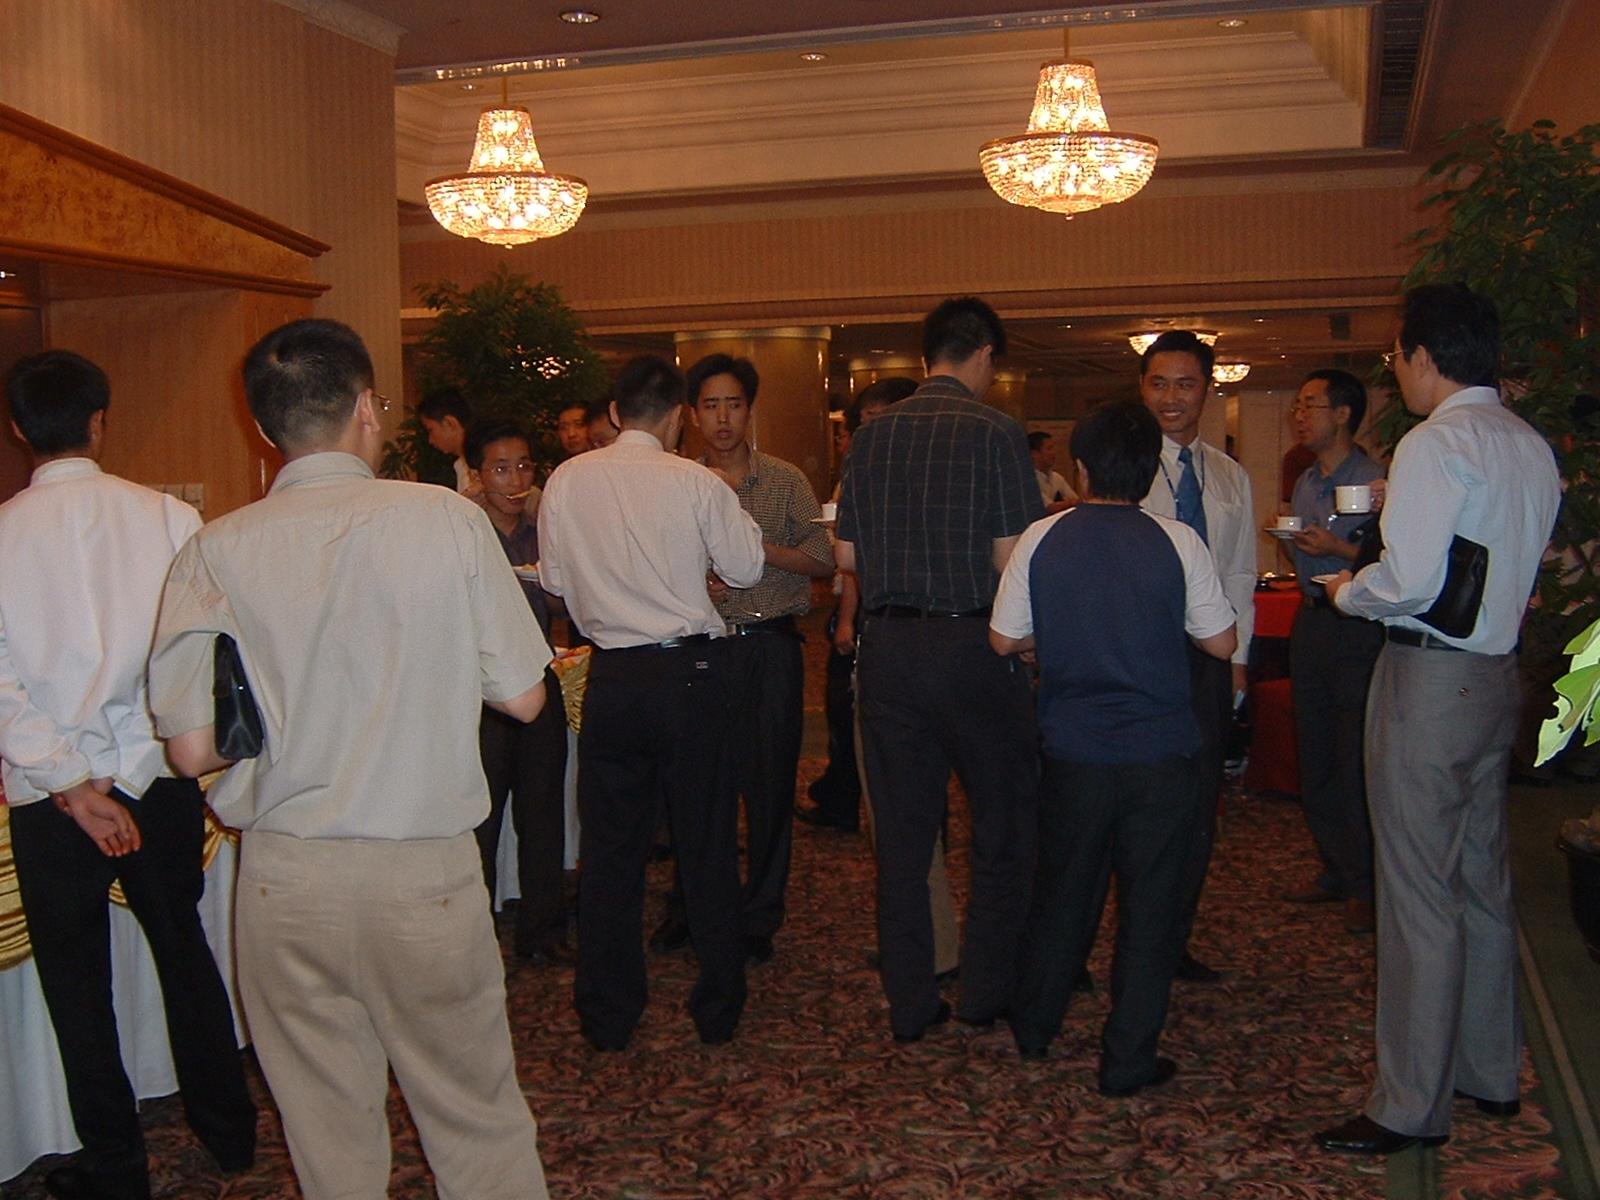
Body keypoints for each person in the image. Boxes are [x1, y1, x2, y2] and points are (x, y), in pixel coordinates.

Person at [148, 319, 553, 1200]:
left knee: (329, 1144)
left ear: (264, 428)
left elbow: (189, 749)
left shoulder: (215, 547)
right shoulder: (446, 520)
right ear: (368, 408)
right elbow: (525, 696)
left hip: (286, 881)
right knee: (477, 1123)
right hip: (423, 872)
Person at [0, 350, 257, 1200]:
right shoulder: (168, 518)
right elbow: (197, 655)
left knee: (78, 986)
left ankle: (116, 1166)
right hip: (158, 778)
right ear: (100, 420)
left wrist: (75, 782)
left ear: (18, 428)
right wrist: (134, 767)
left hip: (51, 799)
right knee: (185, 952)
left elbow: (1, 682)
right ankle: (230, 1132)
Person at [1314, 284, 1560, 1156]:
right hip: (1495, 678)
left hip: (1429, 683)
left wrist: (1349, 592)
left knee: (1417, 890)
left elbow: (1410, 581)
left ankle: (1408, 1106)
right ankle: (1489, 1070)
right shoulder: (1527, 442)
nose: (1397, 370)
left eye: (1397, 356)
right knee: (1481, 879)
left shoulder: (1435, 442)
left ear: (1423, 356)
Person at [995, 400, 1235, 1092]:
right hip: (1161, 753)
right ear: (1150, 470)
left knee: (1063, 891)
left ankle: (1035, 1027)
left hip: (1073, 750)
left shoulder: (1042, 537)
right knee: (1150, 907)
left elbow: (1004, 639)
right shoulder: (1178, 540)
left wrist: (1056, 639)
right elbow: (1221, 643)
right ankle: (1128, 1059)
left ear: (1081, 467)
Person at [538, 354, 765, 1050]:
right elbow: (747, 569)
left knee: (611, 851)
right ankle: (718, 1006)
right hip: (691, 676)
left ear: (614, 413)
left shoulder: (567, 480)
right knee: (706, 843)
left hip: (613, 678)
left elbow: (555, 585)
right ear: (677, 417)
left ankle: (608, 1015)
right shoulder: (696, 482)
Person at [835, 296, 1041, 1042]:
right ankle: (985, 992)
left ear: (929, 356)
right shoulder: (995, 432)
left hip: (889, 650)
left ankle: (911, 1003)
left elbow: (846, 556)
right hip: (972, 647)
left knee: (902, 841)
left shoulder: (870, 436)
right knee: (1002, 828)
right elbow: (1010, 560)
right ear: (984, 354)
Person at [650, 354, 834, 964]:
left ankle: (759, 914)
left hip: (768, 645)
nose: (723, 418)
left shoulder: (783, 480)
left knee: (769, 786)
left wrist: (754, 550)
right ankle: (691, 907)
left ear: (750, 410)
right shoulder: (675, 481)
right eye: (711, 405)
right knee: (696, 787)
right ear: (691, 414)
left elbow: (822, 557)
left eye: (733, 404)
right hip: (698, 648)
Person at [1137, 330, 1255, 983]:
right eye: (1158, 384)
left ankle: (1172, 938)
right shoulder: (1126, 469)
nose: (1171, 398)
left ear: (1208, 390)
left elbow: (1240, 571)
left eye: (1185, 384)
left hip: (1209, 656)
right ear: (1142, 389)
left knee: (1197, 807)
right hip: (1141, 657)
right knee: (1137, 801)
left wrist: (1239, 660)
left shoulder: (1231, 475)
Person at [464, 418, 573, 966]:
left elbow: (563, 607)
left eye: (524, 466)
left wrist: (551, 578)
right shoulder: (462, 530)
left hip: (537, 672)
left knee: (543, 810)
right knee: (481, 816)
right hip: (479, 688)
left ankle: (542, 931)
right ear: (477, 474)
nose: (514, 479)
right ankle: (475, 936)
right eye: (501, 468)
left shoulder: (543, 526)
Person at [1280, 369, 1385, 934]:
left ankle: (1366, 884)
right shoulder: (1305, 481)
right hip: (1312, 620)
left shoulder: (1374, 482)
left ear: (1343, 414)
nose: (1299, 416)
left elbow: (1387, 565)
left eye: (1310, 405)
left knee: (1353, 756)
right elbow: (1303, 556)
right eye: (1298, 406)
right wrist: (1296, 544)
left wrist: (1337, 548)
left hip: (1357, 626)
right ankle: (1336, 869)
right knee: (1314, 750)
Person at [797, 377, 919, 833]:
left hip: (887, 615)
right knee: (846, 710)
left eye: (877, 420)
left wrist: (848, 620)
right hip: (869, 610)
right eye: (863, 423)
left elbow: (852, 560)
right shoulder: (865, 471)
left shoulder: (890, 475)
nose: (869, 432)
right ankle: (846, 799)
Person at [416, 387, 475, 493]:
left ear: (449, 423)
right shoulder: (461, 465)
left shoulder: (483, 463)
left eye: (430, 430)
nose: (430, 440)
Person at [1029, 430, 1078, 514]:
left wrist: (1064, 504)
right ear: (1035, 454)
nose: (1054, 452)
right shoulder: (1029, 480)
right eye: (1049, 448)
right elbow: (1050, 508)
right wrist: (1069, 503)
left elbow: (1078, 502)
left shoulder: (1057, 477)